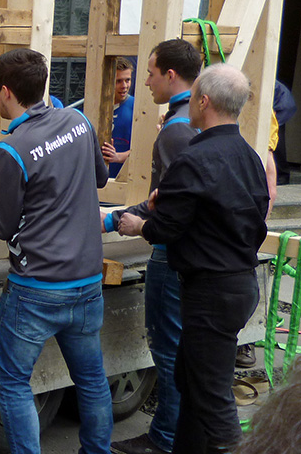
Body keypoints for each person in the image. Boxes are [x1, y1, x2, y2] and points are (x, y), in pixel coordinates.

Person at [0, 48, 112, 454]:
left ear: (6, 92)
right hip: (87, 282)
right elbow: (99, 178)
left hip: (36, 290)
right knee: (92, 380)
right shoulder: (79, 123)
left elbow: (2, 224)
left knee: (13, 383)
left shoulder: (11, 149)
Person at [118, 64, 269, 454]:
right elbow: (247, 216)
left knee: (214, 398)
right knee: (191, 380)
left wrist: (140, 224)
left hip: (211, 293)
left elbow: (166, 229)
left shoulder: (195, 158)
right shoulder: (249, 156)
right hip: (238, 285)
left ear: (203, 101)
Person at [107, 39, 202, 454]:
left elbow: (175, 206)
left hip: (171, 254)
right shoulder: (195, 120)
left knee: (167, 350)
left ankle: (164, 440)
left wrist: (139, 226)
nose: (144, 82)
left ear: (170, 75)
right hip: (192, 255)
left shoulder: (176, 131)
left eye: (149, 73)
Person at [101, 57, 135, 177]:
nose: (124, 86)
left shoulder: (137, 108)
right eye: (118, 81)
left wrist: (119, 157)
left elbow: (144, 148)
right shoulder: (95, 106)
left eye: (127, 80)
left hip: (125, 179)